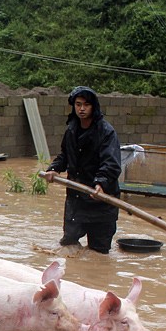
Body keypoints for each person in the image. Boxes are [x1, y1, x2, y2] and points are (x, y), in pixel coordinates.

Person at [40, 86, 122, 254]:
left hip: (100, 200)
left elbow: (111, 163)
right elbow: (65, 155)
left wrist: (101, 183)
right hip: (76, 199)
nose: (82, 109)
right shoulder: (71, 130)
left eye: (86, 105)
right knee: (69, 245)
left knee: (99, 253)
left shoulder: (106, 132)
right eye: (78, 104)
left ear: (94, 107)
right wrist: (54, 169)